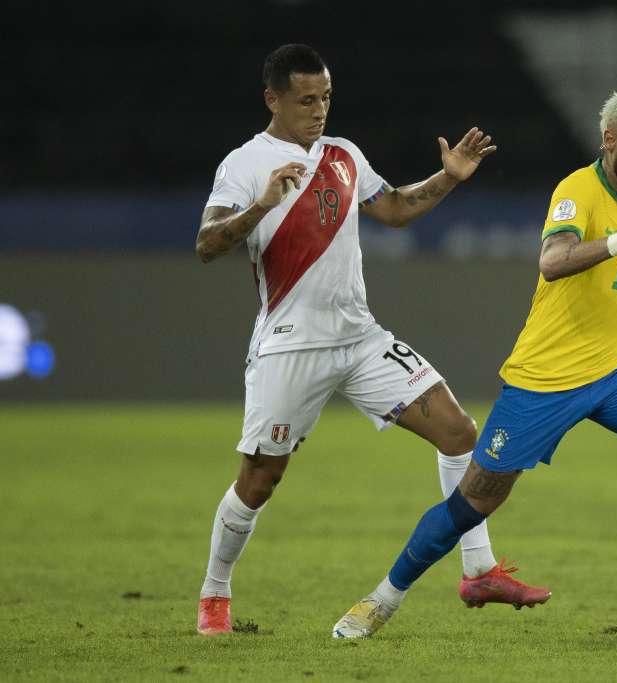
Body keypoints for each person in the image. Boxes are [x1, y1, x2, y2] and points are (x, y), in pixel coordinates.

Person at [332, 88, 617, 639]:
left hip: (616, 370)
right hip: (545, 380)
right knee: (472, 505)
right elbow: (553, 262)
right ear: (610, 142)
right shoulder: (577, 191)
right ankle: (380, 600)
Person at [193, 44, 549, 636]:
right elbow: (208, 244)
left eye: (326, 97)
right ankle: (215, 592)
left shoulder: (344, 155)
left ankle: (478, 569)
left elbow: (396, 209)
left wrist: (448, 178)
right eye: (306, 99)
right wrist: (261, 205)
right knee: (259, 480)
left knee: (462, 432)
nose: (319, 110)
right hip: (290, 345)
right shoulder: (246, 163)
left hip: (360, 340)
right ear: (272, 99)